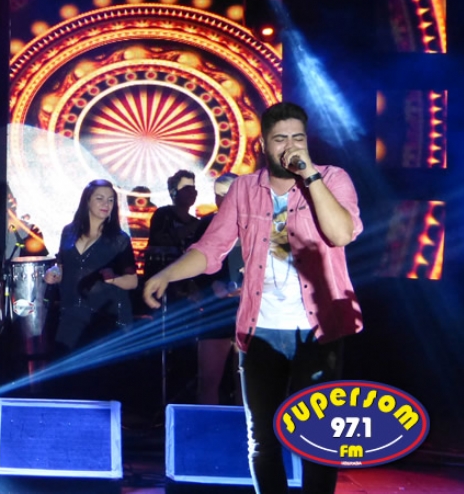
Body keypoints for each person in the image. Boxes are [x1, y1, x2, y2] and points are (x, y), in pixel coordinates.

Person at [143, 102, 363, 494]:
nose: (290, 146)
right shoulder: (245, 189)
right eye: (281, 139)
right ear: (264, 144)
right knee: (262, 438)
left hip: (318, 330)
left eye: (298, 138)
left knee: (319, 439)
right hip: (261, 328)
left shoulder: (333, 178)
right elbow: (211, 248)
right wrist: (166, 273)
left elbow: (341, 233)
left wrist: (310, 176)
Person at [44, 180, 139, 352]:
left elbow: (132, 281)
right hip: (70, 314)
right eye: (100, 198)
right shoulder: (69, 232)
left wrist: (113, 279)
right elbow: (62, 266)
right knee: (65, 360)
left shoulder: (119, 239)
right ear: (87, 201)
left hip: (105, 317)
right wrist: (53, 272)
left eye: (110, 200)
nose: (106, 204)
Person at [188, 172, 243, 406]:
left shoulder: (258, 224)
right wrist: (210, 286)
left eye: (227, 194)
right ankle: (208, 425)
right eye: (218, 195)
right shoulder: (206, 225)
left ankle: (248, 426)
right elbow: (194, 263)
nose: (222, 200)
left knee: (247, 382)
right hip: (216, 311)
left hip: (250, 310)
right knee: (209, 379)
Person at [144, 169, 200, 278]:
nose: (192, 193)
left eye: (193, 189)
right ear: (173, 192)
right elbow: (161, 240)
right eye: (186, 189)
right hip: (161, 277)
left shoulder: (195, 222)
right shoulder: (162, 214)